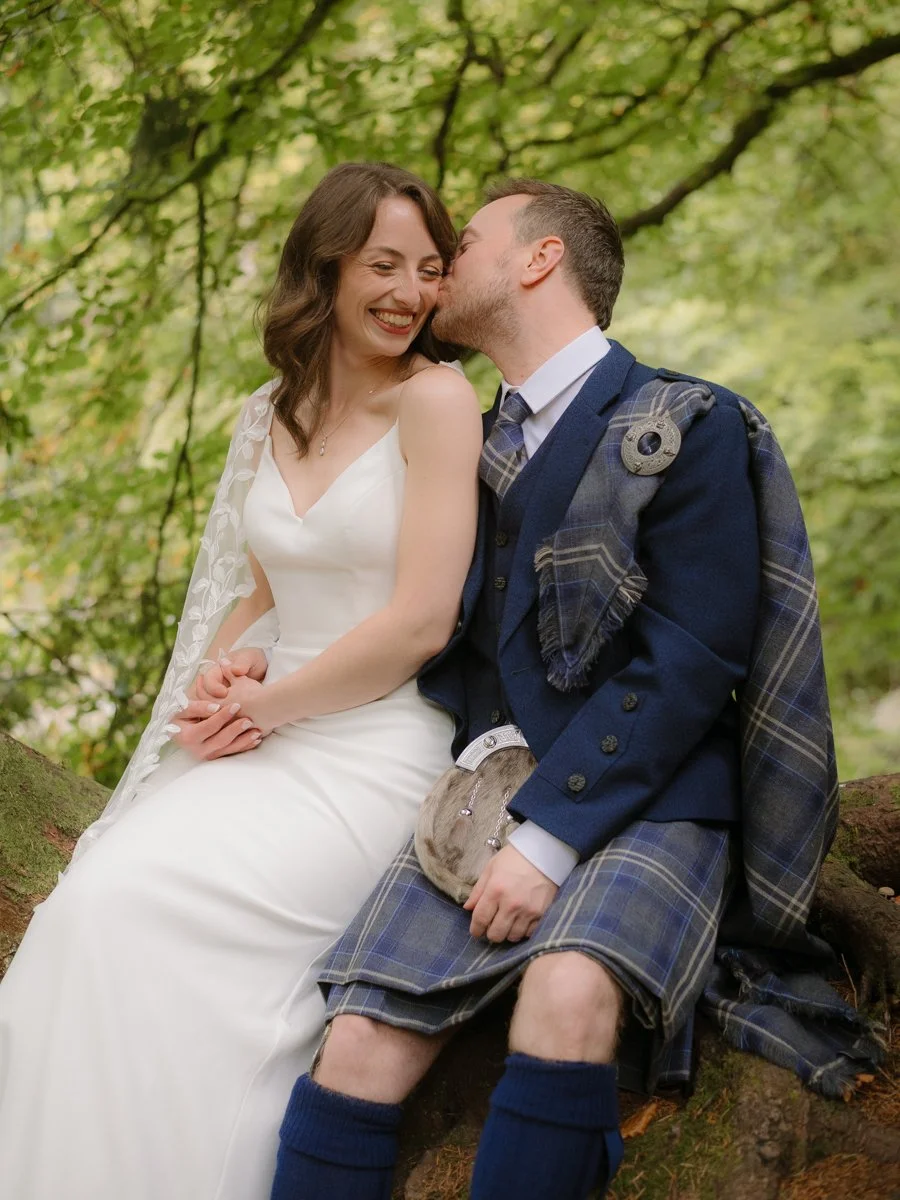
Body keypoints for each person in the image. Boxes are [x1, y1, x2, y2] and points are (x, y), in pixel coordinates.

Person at [268, 179, 873, 1200]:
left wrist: (546, 842)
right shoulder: (460, 438)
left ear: (539, 258)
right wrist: (268, 662)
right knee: (358, 1038)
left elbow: (691, 661)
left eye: (462, 246)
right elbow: (395, 606)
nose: (436, 271)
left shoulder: (687, 422)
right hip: (486, 798)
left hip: (657, 798)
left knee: (566, 990)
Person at [0, 162, 483, 1200]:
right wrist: (224, 679)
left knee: (163, 925)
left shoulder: (437, 402)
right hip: (262, 729)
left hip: (372, 751)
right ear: (327, 267)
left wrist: (268, 703)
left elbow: (420, 621)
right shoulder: (271, 412)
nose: (408, 291)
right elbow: (263, 588)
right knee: (90, 909)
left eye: (428, 268)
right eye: (383, 264)